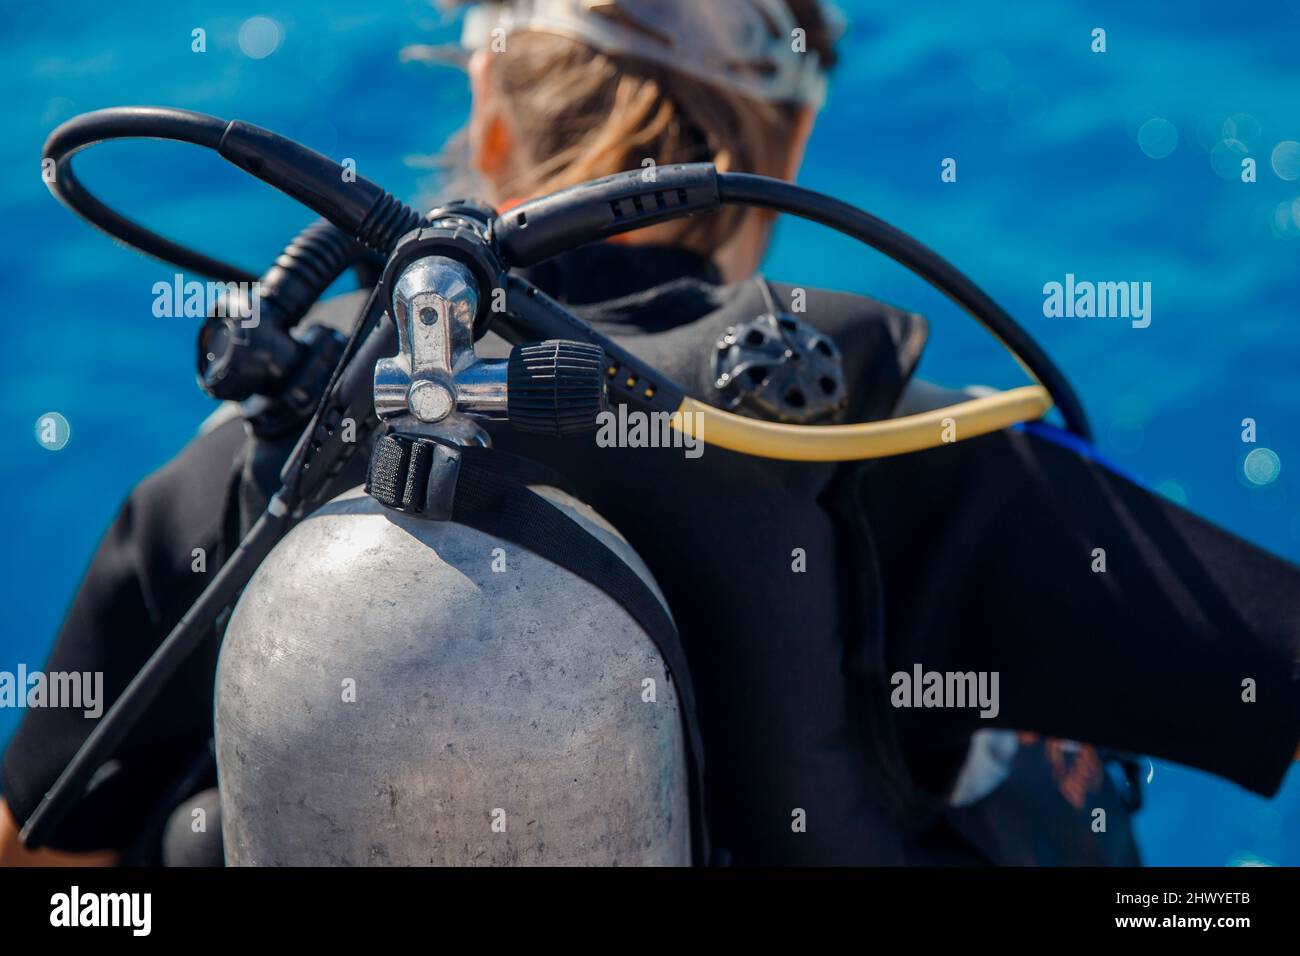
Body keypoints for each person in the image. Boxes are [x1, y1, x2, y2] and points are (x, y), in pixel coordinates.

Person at [3, 0, 1298, 867]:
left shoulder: (262, 454)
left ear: (494, 119)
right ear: (781, 148)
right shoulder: (894, 458)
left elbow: (40, 842)